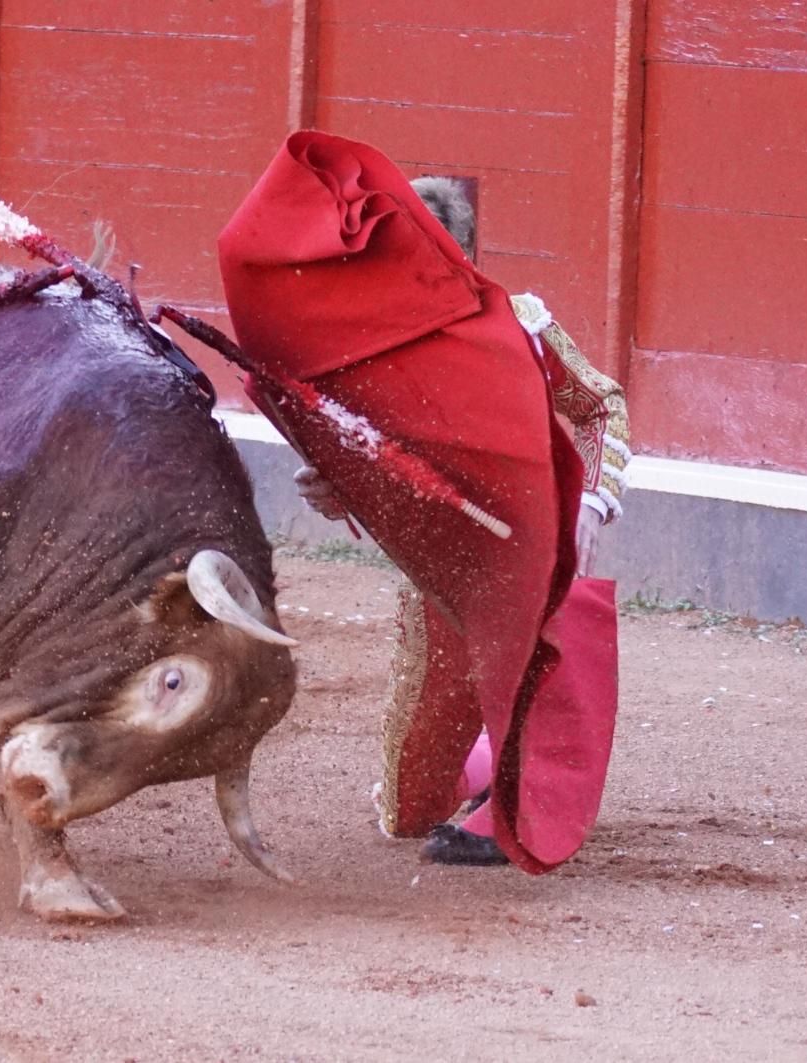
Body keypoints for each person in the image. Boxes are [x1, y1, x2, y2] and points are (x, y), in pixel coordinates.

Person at [216, 132, 624, 874]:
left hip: (526, 549)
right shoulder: (374, 352)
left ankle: (513, 794)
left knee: (534, 680)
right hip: (440, 569)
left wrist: (590, 505)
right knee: (408, 807)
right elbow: (385, 469)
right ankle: (483, 773)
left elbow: (599, 406)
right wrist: (338, 488)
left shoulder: (521, 322)